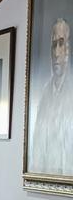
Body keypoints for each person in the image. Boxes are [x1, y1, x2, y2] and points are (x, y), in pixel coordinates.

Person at [29, 18, 73, 176]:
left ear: (69, 50)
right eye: (54, 45)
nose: (56, 53)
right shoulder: (43, 94)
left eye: (61, 44)